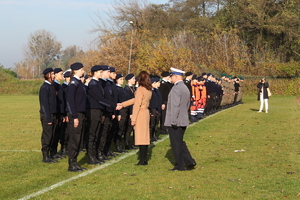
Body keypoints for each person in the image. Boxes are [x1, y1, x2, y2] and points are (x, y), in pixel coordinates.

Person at [165, 68, 196, 171]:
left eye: (171, 76)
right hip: (182, 119)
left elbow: (175, 106)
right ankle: (189, 161)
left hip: (176, 120)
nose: (171, 78)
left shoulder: (176, 89)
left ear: (176, 76)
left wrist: (173, 121)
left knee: (176, 144)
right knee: (180, 142)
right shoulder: (185, 87)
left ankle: (179, 165)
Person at [122, 71, 152, 165]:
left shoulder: (140, 89)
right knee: (145, 136)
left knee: (141, 137)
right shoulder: (148, 89)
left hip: (140, 113)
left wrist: (133, 119)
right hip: (146, 112)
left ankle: (142, 159)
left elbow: (137, 104)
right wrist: (123, 104)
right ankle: (144, 158)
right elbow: (137, 100)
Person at [66, 62, 87, 172]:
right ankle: (72, 163)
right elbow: (70, 101)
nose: (83, 71)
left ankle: (75, 161)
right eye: (81, 70)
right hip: (76, 114)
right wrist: (74, 116)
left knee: (79, 138)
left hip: (80, 114)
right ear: (76, 71)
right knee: (74, 138)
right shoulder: (73, 83)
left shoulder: (79, 83)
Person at [39, 68, 57, 164]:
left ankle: (50, 154)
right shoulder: (44, 87)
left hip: (52, 114)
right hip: (47, 115)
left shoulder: (51, 86)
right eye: (53, 74)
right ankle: (45, 156)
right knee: (47, 135)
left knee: (52, 135)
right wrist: (48, 118)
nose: (54, 75)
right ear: (48, 75)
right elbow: (44, 104)